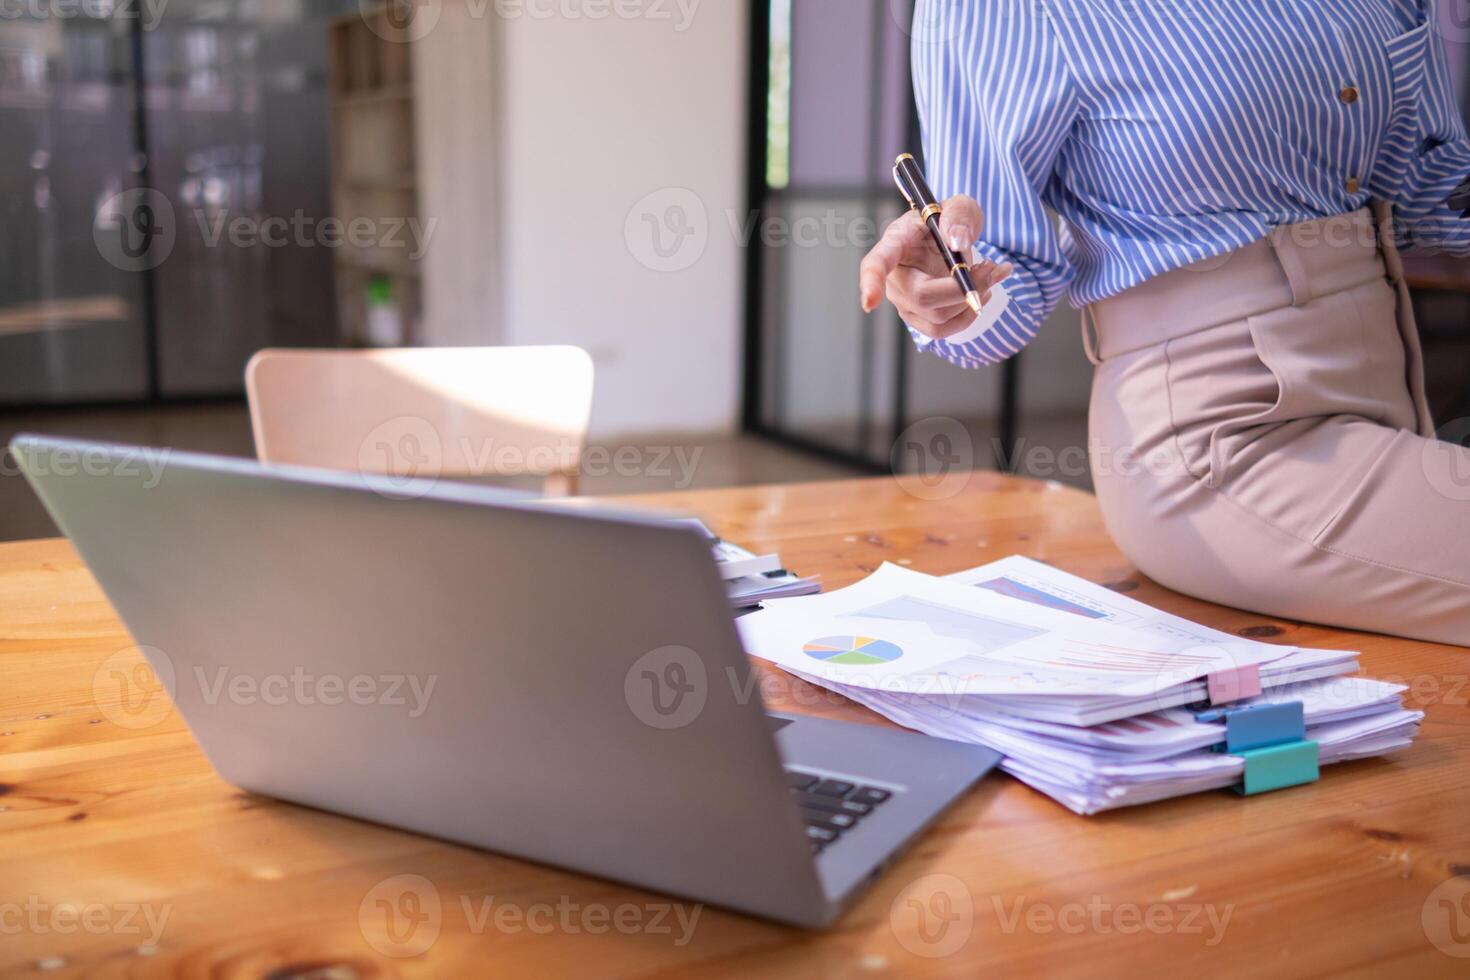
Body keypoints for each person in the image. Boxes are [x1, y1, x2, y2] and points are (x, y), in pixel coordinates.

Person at [859, 0, 1470, 646]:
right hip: (1221, 439)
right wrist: (949, 291)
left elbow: (1433, 189)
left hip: (1391, 396)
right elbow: (1003, 277)